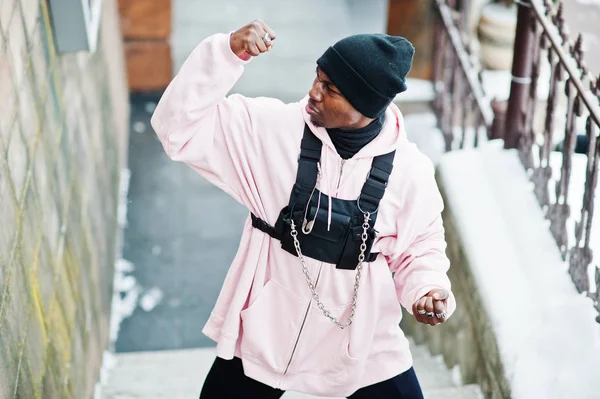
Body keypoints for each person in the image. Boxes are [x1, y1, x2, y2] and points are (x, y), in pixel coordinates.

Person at [151, 19, 456, 399]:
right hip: (267, 330)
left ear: (366, 106)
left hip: (361, 341)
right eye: (318, 76)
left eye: (330, 88)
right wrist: (227, 53)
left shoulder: (410, 171)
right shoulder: (271, 130)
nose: (313, 91)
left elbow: (420, 248)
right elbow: (176, 128)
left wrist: (427, 290)